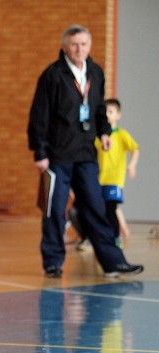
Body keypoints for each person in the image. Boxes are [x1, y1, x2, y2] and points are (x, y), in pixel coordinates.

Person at [27, 24, 143, 278]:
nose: (79, 49)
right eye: (74, 44)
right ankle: (53, 262)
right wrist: (40, 152)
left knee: (96, 207)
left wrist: (104, 133)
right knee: (55, 210)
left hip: (86, 154)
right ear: (65, 46)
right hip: (57, 156)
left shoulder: (95, 72)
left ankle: (113, 262)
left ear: (89, 46)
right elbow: (39, 115)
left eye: (83, 44)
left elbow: (99, 108)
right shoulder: (52, 75)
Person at [95, 98, 140, 247]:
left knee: (111, 208)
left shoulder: (122, 134)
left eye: (111, 111)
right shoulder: (97, 137)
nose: (107, 114)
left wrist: (132, 165)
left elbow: (135, 149)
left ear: (118, 115)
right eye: (105, 111)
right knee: (99, 209)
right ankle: (95, 237)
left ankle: (115, 237)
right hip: (99, 178)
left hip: (115, 178)